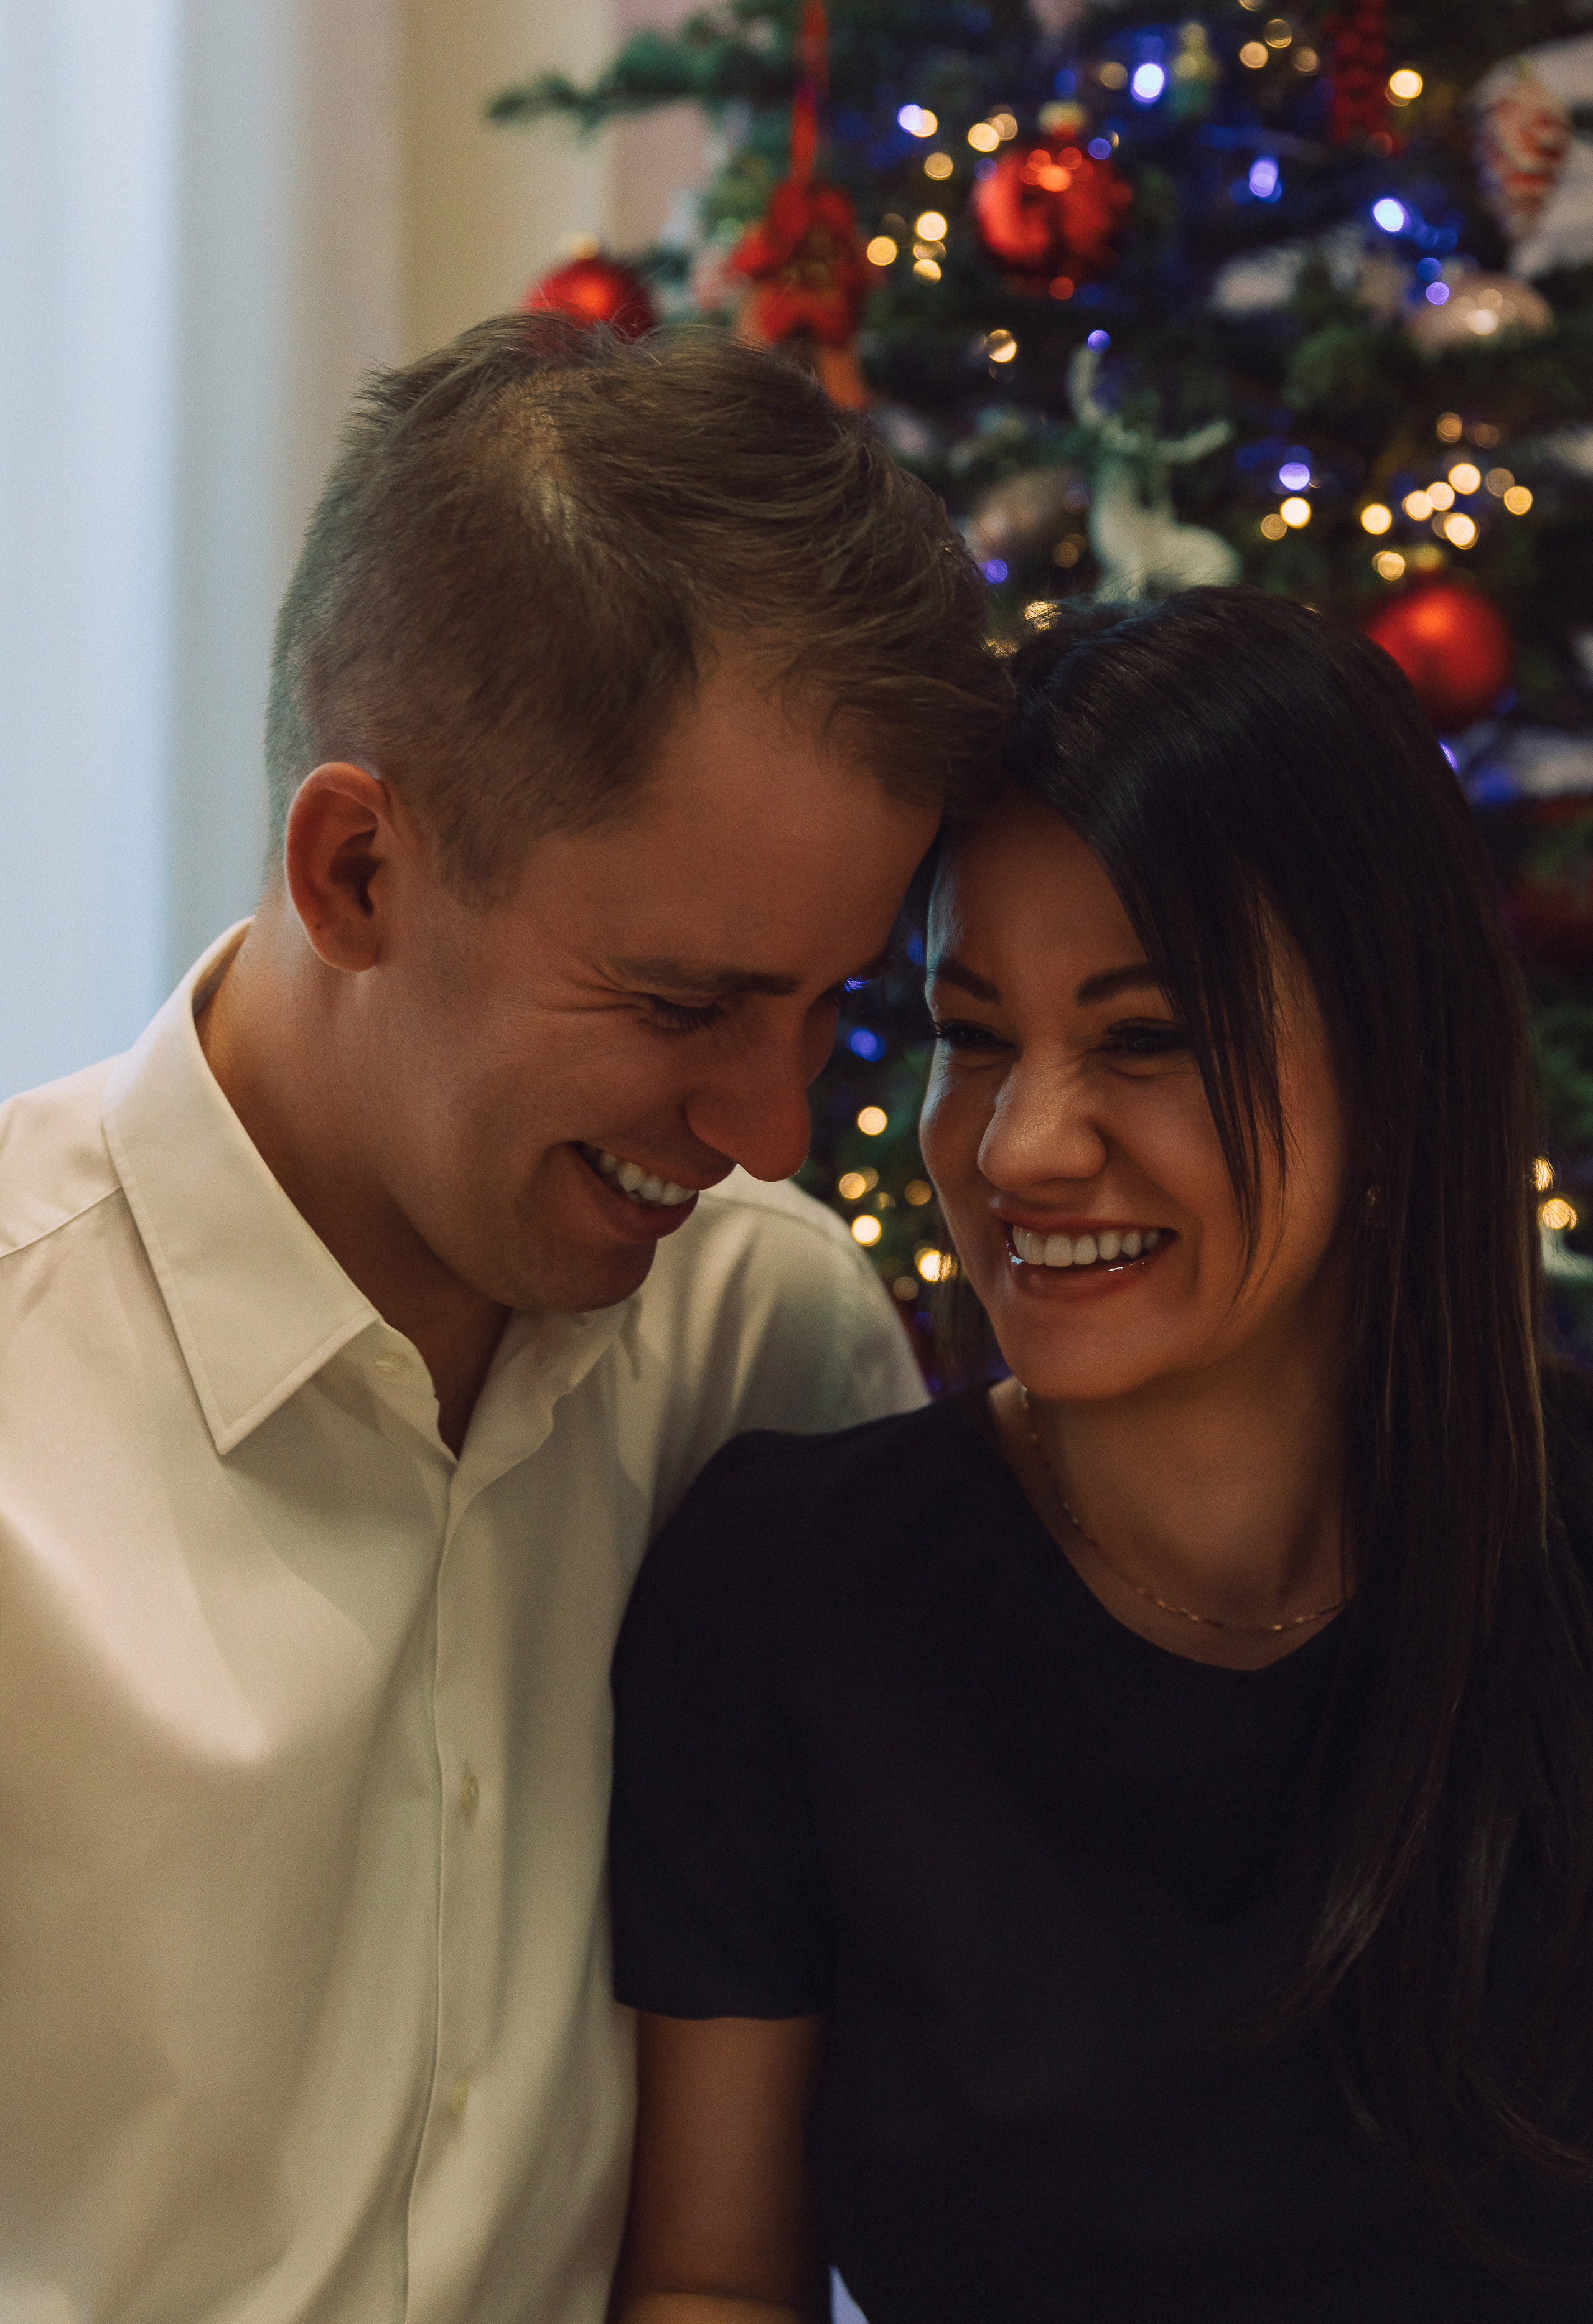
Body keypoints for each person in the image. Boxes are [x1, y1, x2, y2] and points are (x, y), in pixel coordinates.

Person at [0, 315, 1007, 2322]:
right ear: (358, 867)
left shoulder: (778, 1350)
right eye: (682, 1003)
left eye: (829, 1011)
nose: (765, 1127)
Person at [609, 586, 1593, 2323]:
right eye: (972, 1037)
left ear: (1397, 1062)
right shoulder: (782, 1598)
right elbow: (712, 2283)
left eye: (1146, 1040)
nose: (1023, 1145)